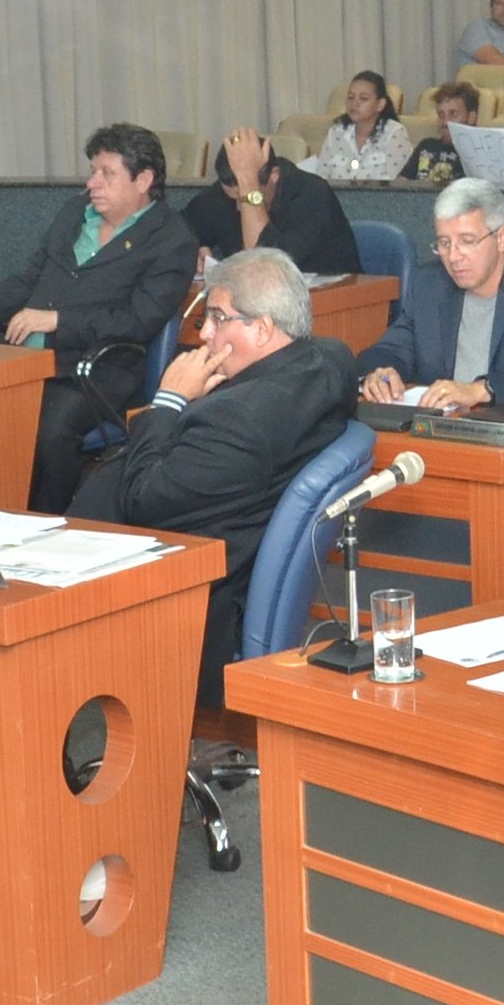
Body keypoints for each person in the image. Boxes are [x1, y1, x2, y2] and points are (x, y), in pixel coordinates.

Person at [71, 249, 355, 707]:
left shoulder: (241, 422)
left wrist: (168, 401)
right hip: (205, 550)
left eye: (219, 318)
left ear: (262, 329)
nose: (204, 334)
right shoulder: (329, 361)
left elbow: (143, 500)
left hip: (163, 586)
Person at [0, 125, 202, 511]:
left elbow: (137, 321)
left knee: (48, 430)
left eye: (107, 174)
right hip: (25, 358)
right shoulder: (75, 213)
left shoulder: (172, 240)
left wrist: (58, 320)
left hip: (97, 369)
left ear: (144, 180)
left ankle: (45, 522)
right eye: (93, 171)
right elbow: (29, 279)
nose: (92, 183)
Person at [356, 179, 504, 413]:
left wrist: (481, 390)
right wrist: (378, 373)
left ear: (501, 238)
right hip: (448, 425)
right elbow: (392, 350)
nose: (453, 256)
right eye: (444, 243)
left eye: (467, 241)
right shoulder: (429, 283)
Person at [184, 128, 361, 278]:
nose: (239, 207)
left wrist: (249, 187)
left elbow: (267, 268)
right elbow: (180, 230)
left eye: (244, 198)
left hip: (337, 298)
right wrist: (196, 250)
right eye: (234, 198)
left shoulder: (311, 194)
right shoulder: (223, 192)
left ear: (274, 176)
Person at [307, 72, 413, 184]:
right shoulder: (336, 132)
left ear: (380, 104)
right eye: (350, 97)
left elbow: (399, 185)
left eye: (363, 98)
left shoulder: (394, 133)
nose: (354, 103)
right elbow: (322, 179)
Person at [398, 83, 480, 186]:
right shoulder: (426, 146)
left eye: (453, 114)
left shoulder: (478, 155)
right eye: (441, 115)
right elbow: (401, 184)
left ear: (471, 117)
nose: (445, 122)